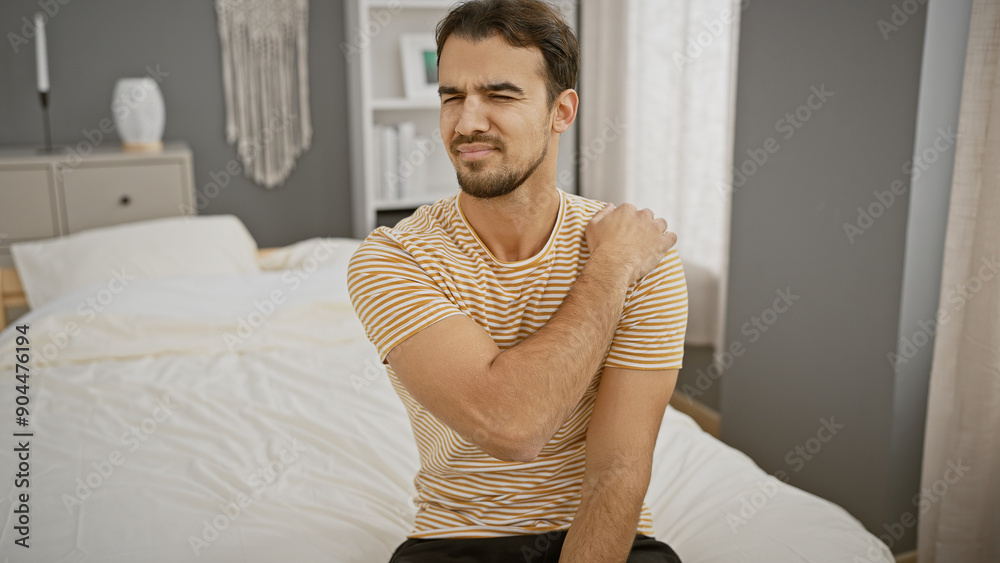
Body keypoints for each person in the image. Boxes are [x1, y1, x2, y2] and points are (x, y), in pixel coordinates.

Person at [347, 1, 687, 561]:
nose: (467, 121)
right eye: (451, 96)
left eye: (499, 96)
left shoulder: (643, 253)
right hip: (458, 542)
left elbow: (618, 468)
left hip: (608, 535)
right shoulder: (393, 258)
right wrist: (608, 270)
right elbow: (512, 427)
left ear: (562, 110)